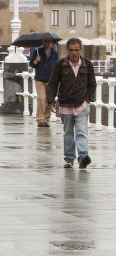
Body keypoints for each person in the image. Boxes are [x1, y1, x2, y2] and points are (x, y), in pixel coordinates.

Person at [46, 38, 96, 169]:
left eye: (77, 50)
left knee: (81, 131)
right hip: (65, 104)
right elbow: (52, 83)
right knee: (68, 133)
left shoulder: (88, 64)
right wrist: (51, 101)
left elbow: (92, 84)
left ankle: (83, 157)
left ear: (80, 50)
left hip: (82, 104)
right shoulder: (60, 64)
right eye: (71, 50)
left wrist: (89, 99)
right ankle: (69, 158)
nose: (74, 53)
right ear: (67, 50)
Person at [29, 38, 58, 127]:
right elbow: (32, 65)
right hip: (40, 79)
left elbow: (57, 66)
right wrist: (36, 61)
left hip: (50, 80)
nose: (49, 43)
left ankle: (46, 119)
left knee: (48, 100)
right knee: (41, 98)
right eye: (47, 41)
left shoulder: (55, 54)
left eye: (51, 42)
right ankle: (40, 119)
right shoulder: (38, 51)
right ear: (44, 42)